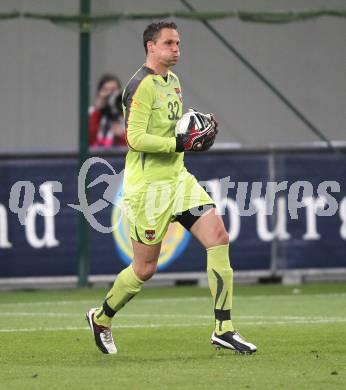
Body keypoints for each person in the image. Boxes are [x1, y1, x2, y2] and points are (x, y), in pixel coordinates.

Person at [86, 21, 257, 355]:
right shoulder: (139, 85)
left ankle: (224, 328)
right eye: (169, 43)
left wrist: (197, 128)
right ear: (151, 46)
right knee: (144, 269)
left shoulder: (173, 82)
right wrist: (180, 141)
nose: (176, 49)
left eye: (178, 43)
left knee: (218, 238)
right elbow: (134, 138)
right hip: (148, 188)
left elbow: (173, 127)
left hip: (178, 180)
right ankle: (102, 317)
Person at [89, 73, 126, 148]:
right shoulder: (92, 113)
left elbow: (135, 146)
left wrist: (121, 135)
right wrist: (97, 112)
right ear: (99, 93)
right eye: (105, 90)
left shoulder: (128, 114)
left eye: (113, 90)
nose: (109, 94)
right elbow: (89, 143)